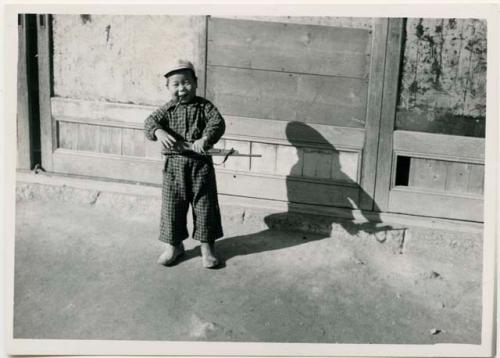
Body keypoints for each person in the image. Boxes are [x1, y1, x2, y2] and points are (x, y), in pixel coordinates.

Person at [144, 59, 225, 268]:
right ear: (168, 87)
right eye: (176, 84)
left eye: (187, 82)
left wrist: (205, 139)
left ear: (196, 83)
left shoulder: (205, 107)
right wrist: (158, 131)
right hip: (174, 168)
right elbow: (149, 123)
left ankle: (207, 248)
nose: (182, 89)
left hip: (201, 167)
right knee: (172, 207)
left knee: (205, 207)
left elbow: (217, 122)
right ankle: (174, 246)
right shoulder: (167, 110)